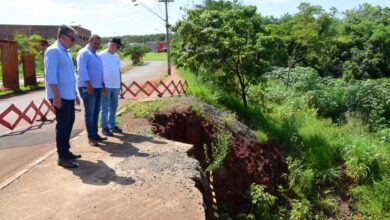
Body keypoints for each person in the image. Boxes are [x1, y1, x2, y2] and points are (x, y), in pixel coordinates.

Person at [44, 25, 81, 168]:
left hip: (68, 95)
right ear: (63, 37)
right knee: (63, 126)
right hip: (60, 96)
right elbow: (50, 76)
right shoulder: (53, 51)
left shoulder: (65, 51)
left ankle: (66, 151)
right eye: (72, 38)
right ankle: (62, 157)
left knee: (69, 123)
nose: (74, 41)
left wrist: (75, 94)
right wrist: (56, 97)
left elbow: (69, 76)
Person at [77, 34, 107, 146]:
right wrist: (88, 85)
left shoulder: (97, 55)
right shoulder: (84, 53)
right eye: (95, 43)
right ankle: (91, 138)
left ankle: (95, 134)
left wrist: (102, 84)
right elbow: (82, 70)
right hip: (87, 87)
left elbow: (100, 71)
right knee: (89, 114)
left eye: (98, 44)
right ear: (89, 41)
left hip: (98, 87)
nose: (97, 45)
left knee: (96, 112)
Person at [99, 38, 123, 136]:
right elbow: (98, 72)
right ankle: (104, 127)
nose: (117, 49)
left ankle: (112, 125)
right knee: (104, 108)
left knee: (114, 107)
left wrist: (120, 83)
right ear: (111, 45)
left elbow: (118, 71)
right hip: (106, 86)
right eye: (117, 46)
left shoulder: (116, 56)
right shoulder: (101, 55)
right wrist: (102, 85)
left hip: (116, 86)